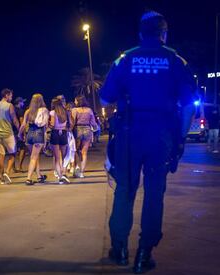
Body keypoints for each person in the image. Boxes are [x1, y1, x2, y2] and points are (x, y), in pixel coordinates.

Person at [100, 11, 196, 273]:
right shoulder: (175, 60)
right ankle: (144, 254)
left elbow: (105, 99)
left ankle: (119, 249)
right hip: (162, 135)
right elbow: (188, 107)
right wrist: (181, 139)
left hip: (130, 133)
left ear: (140, 34)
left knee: (125, 190)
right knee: (155, 194)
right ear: (164, 34)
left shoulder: (125, 59)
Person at [0, 88, 20, 184]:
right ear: (6, 95)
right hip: (8, 133)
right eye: (10, 95)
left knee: (1, 155)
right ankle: (7, 172)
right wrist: (20, 131)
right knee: (12, 154)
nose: (11, 97)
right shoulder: (9, 106)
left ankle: (2, 179)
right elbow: (15, 120)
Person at [18, 93, 49, 185]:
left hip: (30, 134)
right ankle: (28, 178)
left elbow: (23, 125)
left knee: (35, 156)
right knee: (34, 157)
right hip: (38, 133)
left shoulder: (28, 111)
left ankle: (39, 176)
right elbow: (46, 126)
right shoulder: (44, 111)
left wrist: (20, 134)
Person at [71, 96, 97, 178]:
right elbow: (93, 123)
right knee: (84, 152)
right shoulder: (89, 110)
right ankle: (81, 172)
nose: (74, 102)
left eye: (75, 100)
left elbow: (72, 122)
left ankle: (75, 168)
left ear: (78, 101)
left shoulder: (75, 110)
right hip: (87, 130)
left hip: (77, 130)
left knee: (75, 150)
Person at [49, 98, 71, 184]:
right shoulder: (65, 112)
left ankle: (60, 177)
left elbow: (53, 125)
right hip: (64, 134)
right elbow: (69, 124)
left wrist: (48, 125)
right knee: (64, 155)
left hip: (55, 133)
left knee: (57, 158)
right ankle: (64, 172)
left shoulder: (52, 113)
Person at [13, 96, 27, 172]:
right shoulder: (20, 111)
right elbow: (22, 123)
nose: (23, 103)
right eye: (22, 102)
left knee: (13, 150)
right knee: (23, 148)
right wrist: (23, 134)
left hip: (12, 131)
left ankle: (13, 167)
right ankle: (20, 166)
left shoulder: (11, 109)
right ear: (19, 102)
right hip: (18, 131)